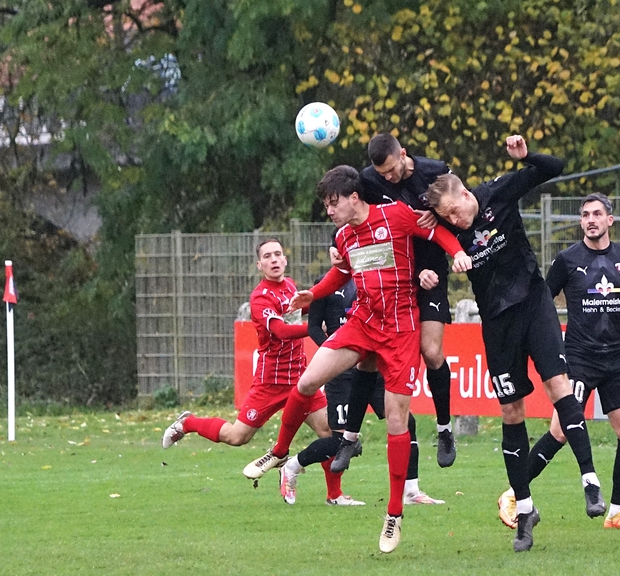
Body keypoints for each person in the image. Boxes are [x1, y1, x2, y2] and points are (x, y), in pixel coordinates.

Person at [245, 166, 470, 553]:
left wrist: (459, 252)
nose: (329, 211)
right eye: (326, 205)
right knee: (307, 382)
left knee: (397, 421)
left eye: (333, 203)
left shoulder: (395, 215)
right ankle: (280, 452)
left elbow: (437, 233)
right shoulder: (345, 236)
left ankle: (394, 514)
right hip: (363, 322)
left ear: (354, 198)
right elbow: (341, 273)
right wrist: (313, 294)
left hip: (400, 329)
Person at [424, 135, 597, 553]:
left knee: (558, 385)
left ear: (466, 194)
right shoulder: (446, 230)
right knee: (511, 410)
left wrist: (526, 156)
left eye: (455, 211)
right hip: (497, 322)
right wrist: (425, 276)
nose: (455, 221)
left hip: (534, 303)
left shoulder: (497, 192)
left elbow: (555, 167)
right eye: (447, 217)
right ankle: (525, 510)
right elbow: (423, 256)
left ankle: (590, 481)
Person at [496, 193, 620, 531]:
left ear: (610, 220)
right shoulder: (567, 260)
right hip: (578, 358)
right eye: (585, 215)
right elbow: (542, 301)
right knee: (560, 432)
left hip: (615, 358)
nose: (591, 220)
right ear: (581, 222)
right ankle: (512, 494)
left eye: (597, 214)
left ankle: (616, 513)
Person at [160, 239, 361, 506]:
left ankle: (334, 495)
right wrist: (315, 329)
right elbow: (281, 331)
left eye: (278, 254)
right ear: (259, 264)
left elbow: (303, 309)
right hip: (271, 382)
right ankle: (188, 424)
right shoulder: (260, 297)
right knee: (237, 437)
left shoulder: (290, 286)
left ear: (285, 259)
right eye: (267, 256)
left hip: (301, 378)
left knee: (330, 432)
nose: (274, 259)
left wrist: (324, 306)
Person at [279, 276, 445, 506]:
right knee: (340, 440)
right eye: (335, 255)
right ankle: (292, 466)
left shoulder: (369, 278)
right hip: (341, 372)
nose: (339, 258)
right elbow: (313, 327)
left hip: (370, 365)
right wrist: (333, 354)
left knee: (407, 422)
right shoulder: (324, 284)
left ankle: (411, 491)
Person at [360, 133, 457, 467]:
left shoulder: (435, 171)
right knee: (368, 360)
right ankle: (349, 437)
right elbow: (354, 212)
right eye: (382, 173)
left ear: (403, 153)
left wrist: (439, 216)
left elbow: (463, 207)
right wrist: (334, 242)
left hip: (430, 271)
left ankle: (444, 428)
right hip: (394, 275)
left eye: (392, 169)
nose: (388, 177)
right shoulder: (369, 180)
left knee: (431, 352)